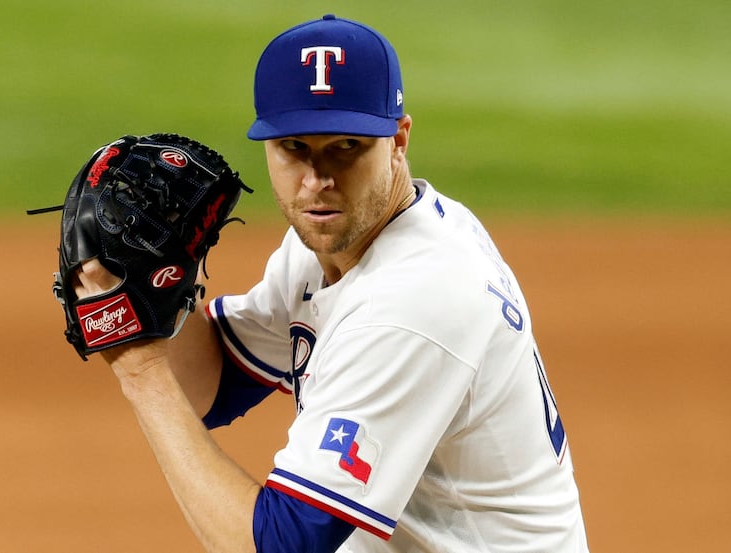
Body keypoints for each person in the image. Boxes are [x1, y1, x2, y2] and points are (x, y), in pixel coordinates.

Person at [74, 14, 590, 553]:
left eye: (345, 147)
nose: (317, 180)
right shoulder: (338, 239)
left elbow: (280, 545)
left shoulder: (414, 301)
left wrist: (140, 368)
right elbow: (216, 385)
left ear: (398, 140)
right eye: (294, 148)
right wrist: (152, 300)